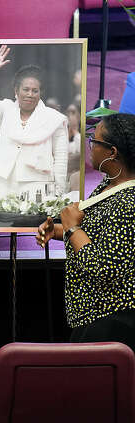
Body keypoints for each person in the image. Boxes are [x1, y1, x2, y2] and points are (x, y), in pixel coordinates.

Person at [36, 113, 135, 352]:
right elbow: (96, 235)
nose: (90, 146)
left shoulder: (129, 203)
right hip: (92, 315)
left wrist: (73, 227)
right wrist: (59, 231)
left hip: (113, 319)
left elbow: (102, 269)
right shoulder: (110, 184)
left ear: (112, 152)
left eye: (95, 141)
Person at [0, 45, 69, 201]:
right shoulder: (6, 109)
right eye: (26, 89)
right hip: (4, 181)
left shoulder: (54, 118)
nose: (30, 94)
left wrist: (58, 193)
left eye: (35, 90)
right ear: (16, 90)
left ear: (41, 93)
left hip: (37, 184)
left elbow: (61, 159)